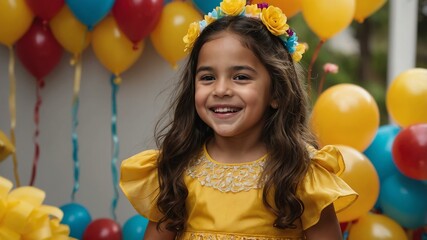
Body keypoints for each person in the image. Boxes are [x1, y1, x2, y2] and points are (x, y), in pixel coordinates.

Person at [120, 0, 358, 239]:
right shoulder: (177, 167)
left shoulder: (301, 173)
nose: (221, 89)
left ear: (276, 92)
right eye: (208, 77)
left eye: (241, 77)